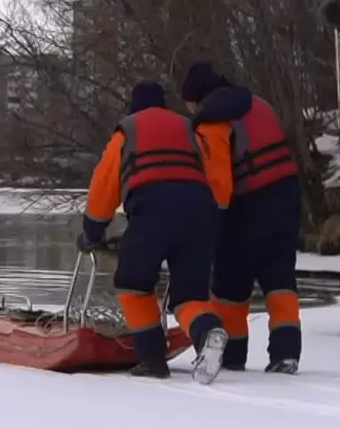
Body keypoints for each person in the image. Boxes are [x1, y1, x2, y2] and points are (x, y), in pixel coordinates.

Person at [79, 80, 229, 382]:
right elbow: (216, 179)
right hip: (200, 213)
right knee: (190, 295)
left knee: (132, 283)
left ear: (134, 106)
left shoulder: (128, 131)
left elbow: (103, 188)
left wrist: (92, 233)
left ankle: (152, 360)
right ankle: (207, 332)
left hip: (152, 211)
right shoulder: (190, 130)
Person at [181, 61, 302, 374]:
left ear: (197, 98)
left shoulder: (212, 122)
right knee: (280, 278)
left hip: (247, 205)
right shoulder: (257, 103)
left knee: (229, 284)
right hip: (287, 196)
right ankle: (286, 353)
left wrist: (211, 226)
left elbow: (220, 184)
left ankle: (232, 357)